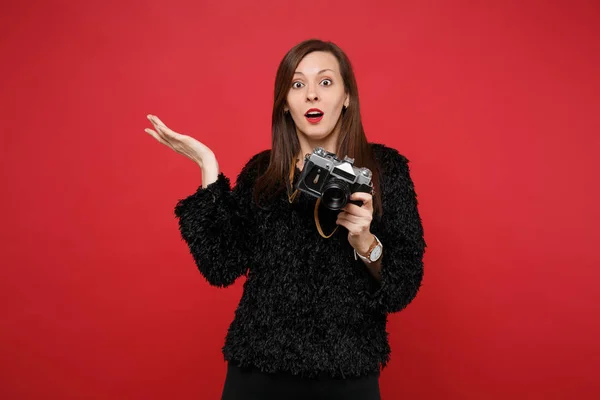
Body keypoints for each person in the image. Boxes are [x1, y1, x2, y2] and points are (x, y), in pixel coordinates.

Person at [144, 38, 426, 400]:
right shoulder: (263, 173)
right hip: (258, 369)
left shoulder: (385, 170)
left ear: (346, 97)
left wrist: (366, 243)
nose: (312, 95)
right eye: (297, 84)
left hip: (346, 370)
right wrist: (208, 167)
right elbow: (219, 266)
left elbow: (402, 288)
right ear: (285, 105)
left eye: (325, 82)